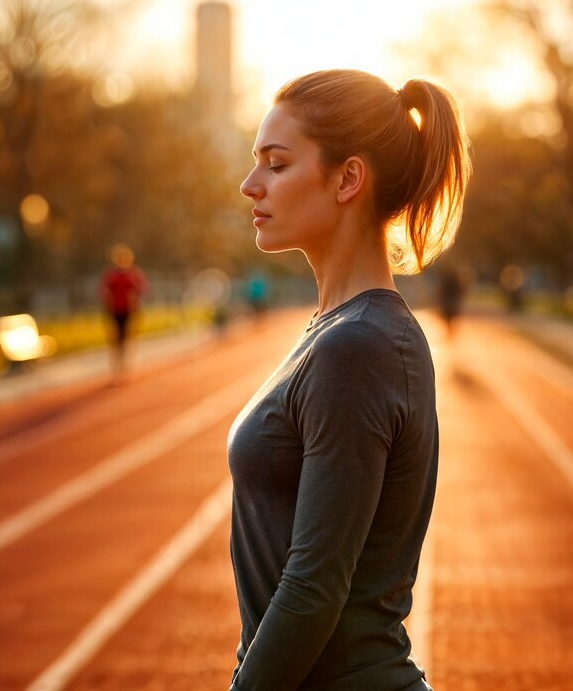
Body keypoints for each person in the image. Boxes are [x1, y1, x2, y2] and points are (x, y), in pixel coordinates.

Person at [229, 69, 469, 690]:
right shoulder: (341, 333)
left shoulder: (357, 347)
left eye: (276, 164)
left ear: (349, 179)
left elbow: (313, 586)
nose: (249, 184)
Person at [98, 244, 148, 378]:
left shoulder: (133, 274)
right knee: (116, 339)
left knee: (127, 338)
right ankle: (116, 368)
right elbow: (103, 290)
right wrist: (107, 300)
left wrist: (135, 298)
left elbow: (142, 289)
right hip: (114, 311)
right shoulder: (111, 275)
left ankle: (125, 365)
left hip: (130, 311)